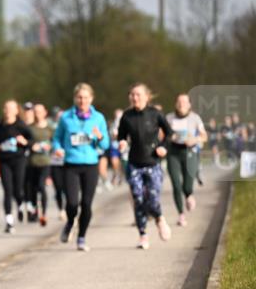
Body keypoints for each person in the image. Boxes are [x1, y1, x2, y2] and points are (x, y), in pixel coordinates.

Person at [53, 83, 110, 252]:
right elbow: (57, 138)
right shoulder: (66, 118)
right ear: (75, 98)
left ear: (91, 99)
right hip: (71, 164)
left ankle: (81, 237)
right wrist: (57, 148)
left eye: (85, 97)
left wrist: (100, 137)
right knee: (71, 203)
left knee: (86, 204)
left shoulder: (98, 118)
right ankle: (71, 221)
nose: (82, 100)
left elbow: (106, 143)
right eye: (79, 97)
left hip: (91, 165)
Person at [118, 83, 173, 249]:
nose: (134, 98)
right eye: (132, 95)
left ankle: (159, 218)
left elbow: (169, 133)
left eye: (138, 94)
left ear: (147, 97)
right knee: (138, 198)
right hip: (134, 163)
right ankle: (143, 235)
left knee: (153, 199)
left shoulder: (155, 114)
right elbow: (121, 135)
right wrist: (121, 142)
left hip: (153, 162)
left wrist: (163, 146)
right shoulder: (126, 116)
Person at [166, 94, 207, 227]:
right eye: (179, 101)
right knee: (176, 185)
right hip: (173, 153)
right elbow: (161, 134)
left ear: (189, 104)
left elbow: (204, 136)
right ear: (175, 104)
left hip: (190, 152)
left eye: (184, 102)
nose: (181, 104)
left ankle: (189, 195)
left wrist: (194, 140)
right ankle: (181, 215)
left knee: (187, 186)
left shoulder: (195, 118)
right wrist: (169, 138)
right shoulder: (169, 118)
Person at [0, 100, 32, 233]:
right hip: (4, 161)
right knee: (7, 190)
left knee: (18, 189)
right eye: (6, 108)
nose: (8, 111)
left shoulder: (21, 125)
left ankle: (20, 204)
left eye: (11, 108)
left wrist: (25, 142)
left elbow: (31, 141)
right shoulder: (0, 126)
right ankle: (9, 221)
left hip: (19, 160)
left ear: (16, 110)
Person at [25, 103, 54, 226]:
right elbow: (24, 142)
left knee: (41, 186)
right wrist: (32, 145)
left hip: (45, 162)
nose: (37, 114)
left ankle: (44, 214)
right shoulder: (29, 128)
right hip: (31, 162)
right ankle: (34, 212)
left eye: (39, 111)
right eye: (35, 111)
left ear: (45, 112)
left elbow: (56, 142)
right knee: (32, 189)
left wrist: (51, 146)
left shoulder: (50, 128)